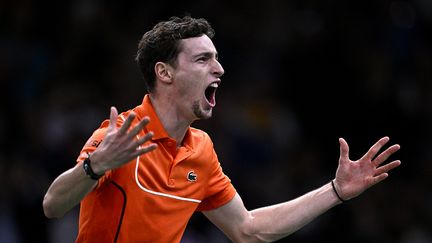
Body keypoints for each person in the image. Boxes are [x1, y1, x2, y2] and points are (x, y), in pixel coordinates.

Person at [42, 15, 401, 243]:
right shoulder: (118, 136)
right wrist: (96, 165)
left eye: (217, 58)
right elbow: (53, 205)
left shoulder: (201, 149)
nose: (220, 69)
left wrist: (336, 190)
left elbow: (248, 230)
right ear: (164, 73)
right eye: (202, 59)